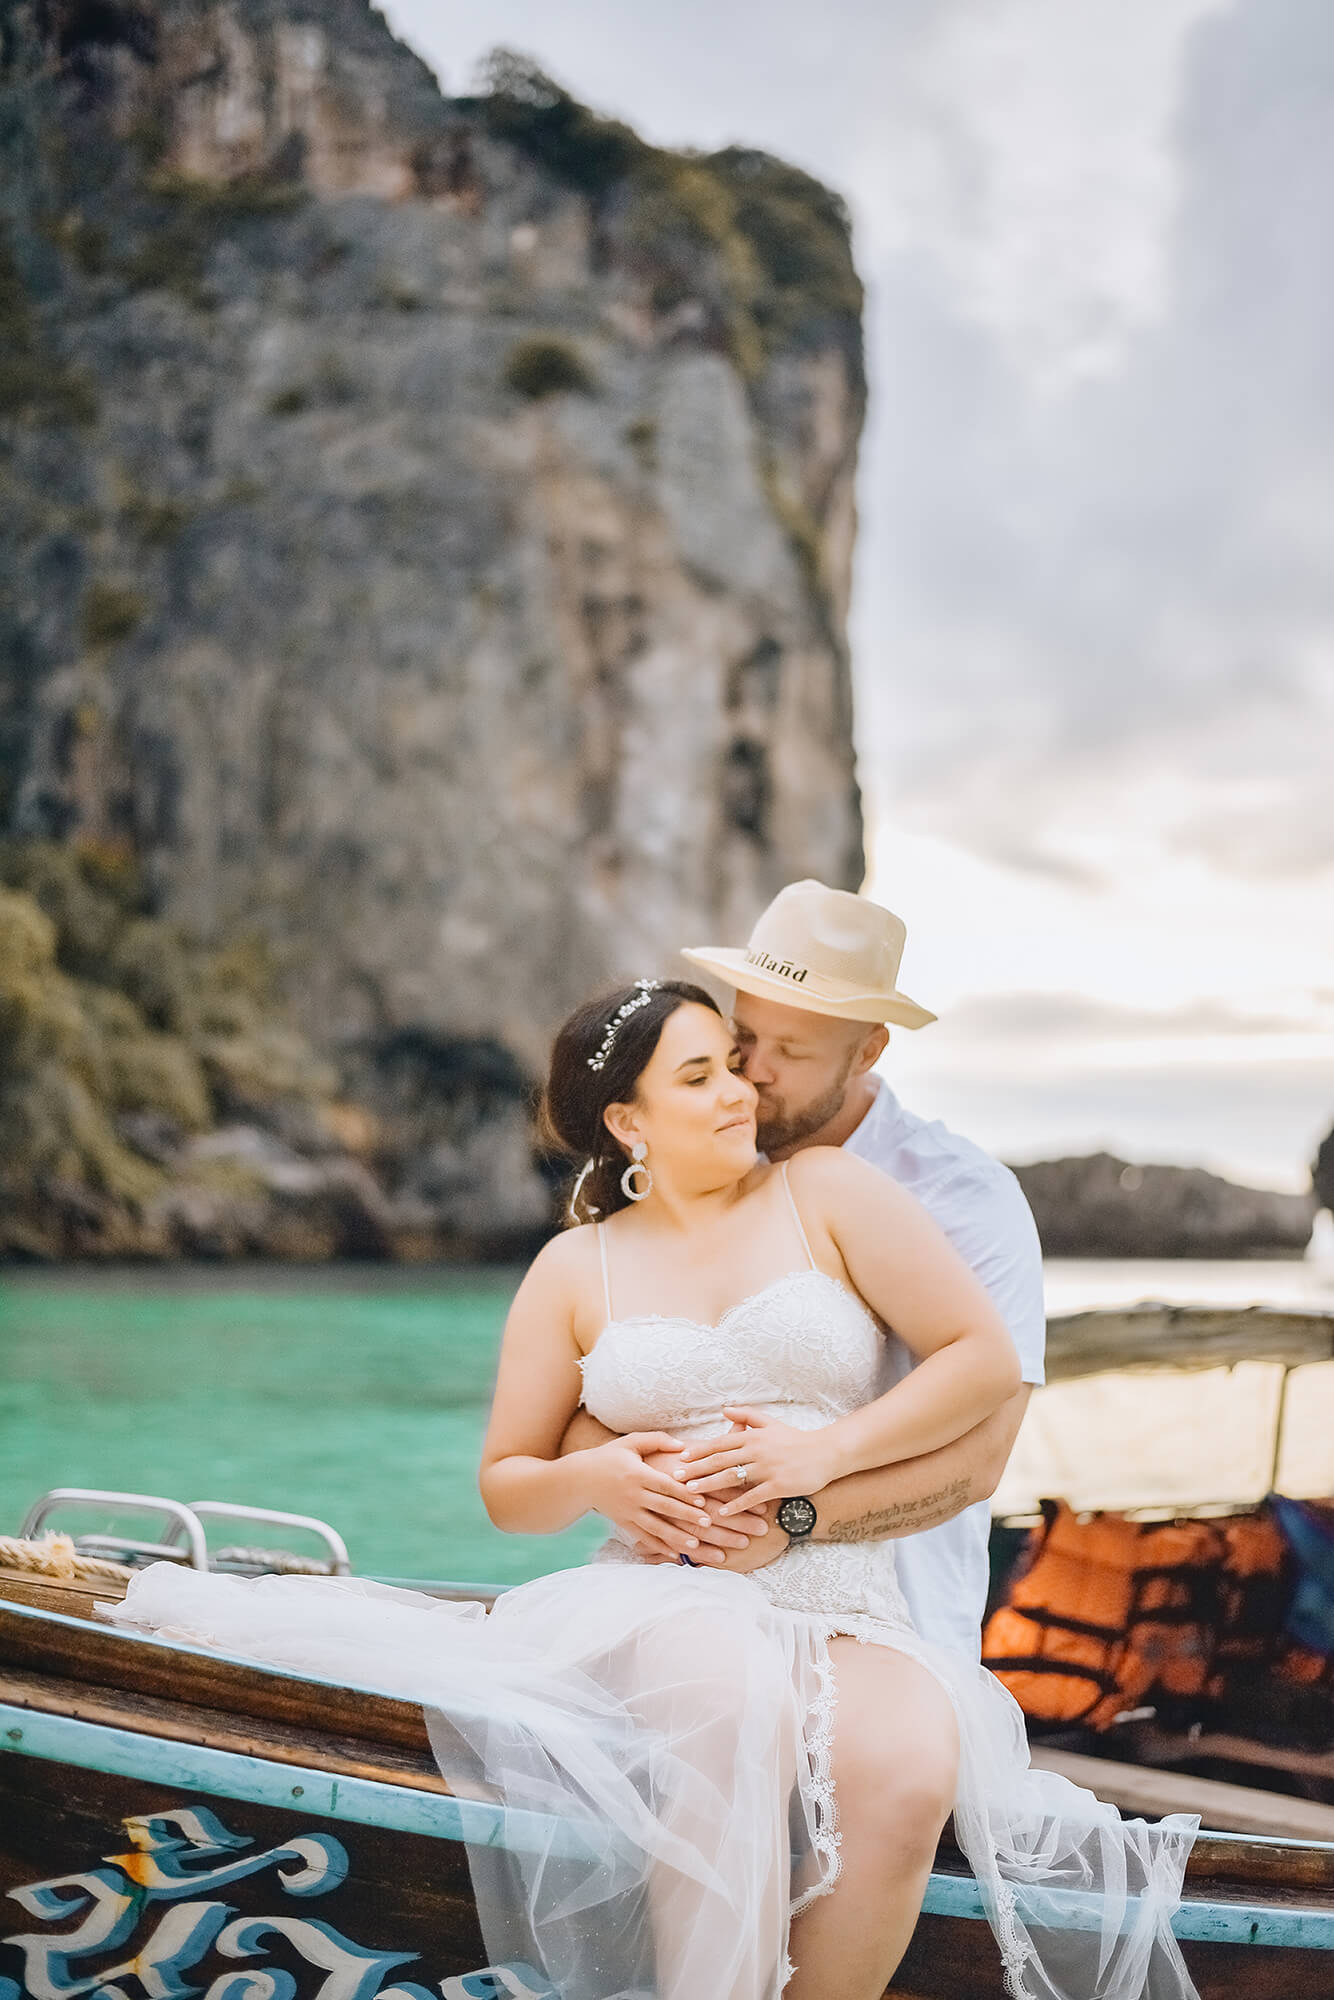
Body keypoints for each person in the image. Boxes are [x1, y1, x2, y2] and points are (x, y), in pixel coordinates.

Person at [109, 976, 1199, 2000]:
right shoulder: (573, 1269)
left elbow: (978, 1356)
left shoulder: (826, 1192)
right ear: (627, 1121)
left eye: (733, 1063)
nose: (738, 1090)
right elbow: (508, 1483)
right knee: (726, 1697)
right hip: (664, 1595)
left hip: (846, 1599)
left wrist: (821, 1457)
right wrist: (597, 1473)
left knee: (912, 1766)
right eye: (699, 1076)